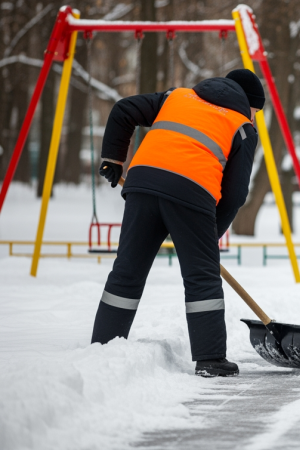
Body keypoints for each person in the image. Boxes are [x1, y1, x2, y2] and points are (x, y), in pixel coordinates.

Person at [91, 69, 264, 377]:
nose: (254, 117)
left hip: (142, 184)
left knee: (127, 271)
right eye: (256, 112)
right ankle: (210, 359)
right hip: (192, 191)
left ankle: (103, 346)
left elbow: (124, 109)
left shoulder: (177, 96)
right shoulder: (243, 128)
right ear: (249, 104)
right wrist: (208, 237)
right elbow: (236, 194)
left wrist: (113, 159)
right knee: (202, 276)